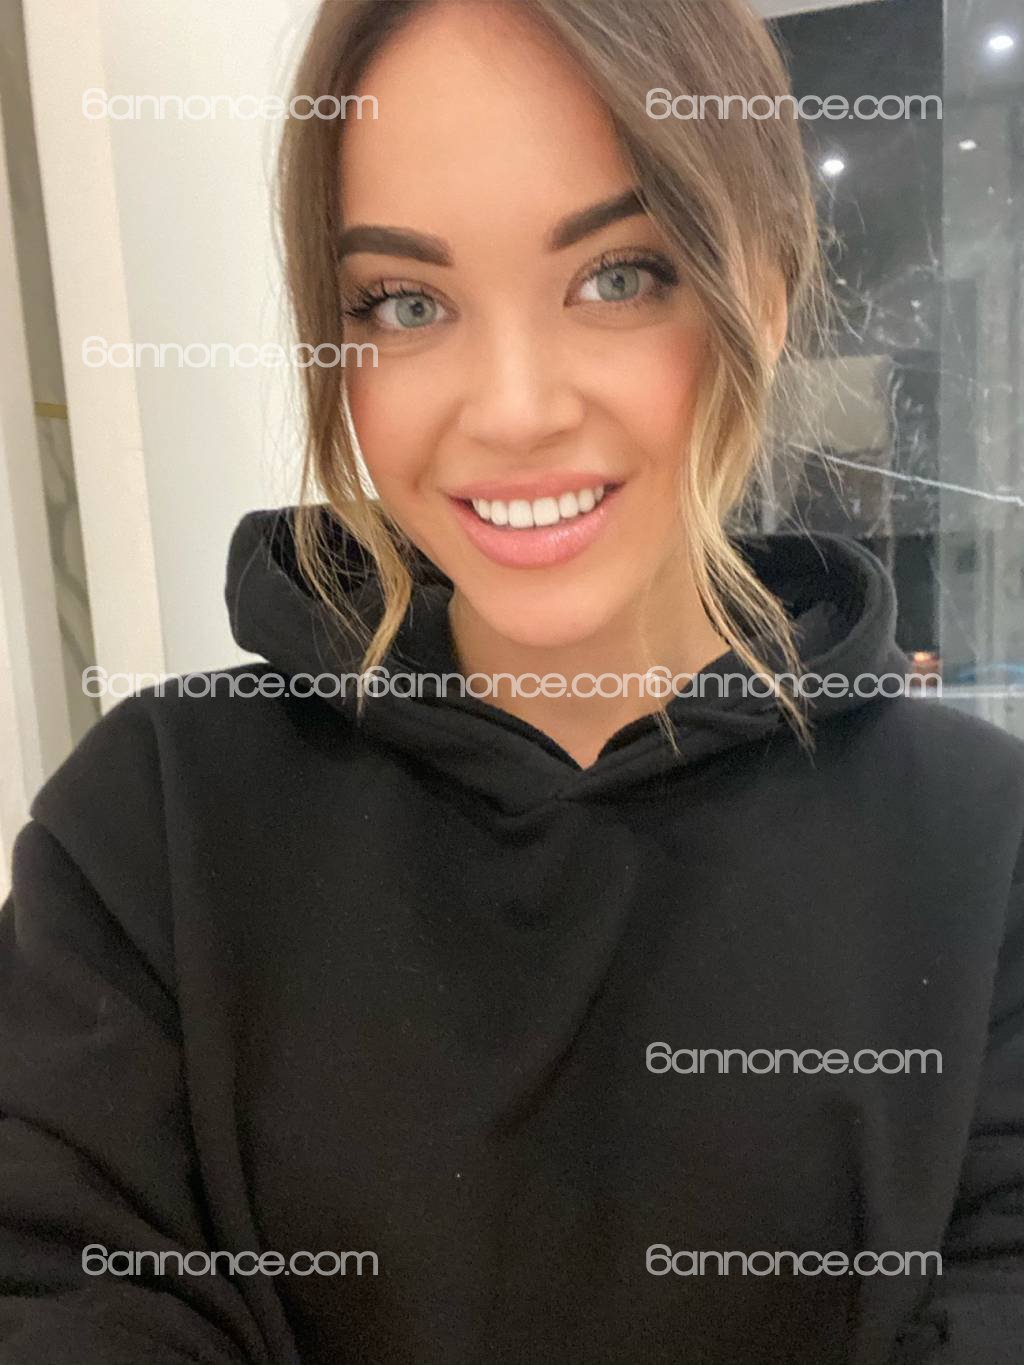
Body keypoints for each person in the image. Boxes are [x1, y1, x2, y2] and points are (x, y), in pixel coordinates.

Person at [2, 1, 1023, 1361]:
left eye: (618, 277)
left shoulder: (981, 848)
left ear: (765, 296)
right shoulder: (150, 831)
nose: (514, 408)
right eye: (407, 303)